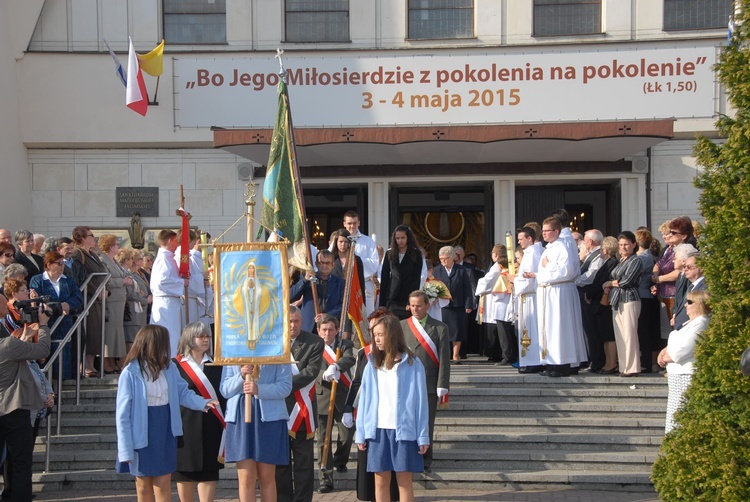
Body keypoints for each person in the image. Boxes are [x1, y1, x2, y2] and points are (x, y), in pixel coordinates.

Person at [115, 325, 217, 502]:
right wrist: (125, 449)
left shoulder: (169, 367)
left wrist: (203, 402)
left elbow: (183, 392)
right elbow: (123, 414)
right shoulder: (130, 372)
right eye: (163, 342)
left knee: (163, 483)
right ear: (152, 343)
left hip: (165, 430)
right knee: (143, 485)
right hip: (142, 433)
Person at [355, 313, 429, 502]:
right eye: (375, 335)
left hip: (404, 432)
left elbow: (421, 403)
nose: (377, 339)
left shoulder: (413, 364)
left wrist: (422, 435)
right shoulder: (372, 364)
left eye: (380, 334)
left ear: (393, 335)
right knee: (380, 482)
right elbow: (364, 402)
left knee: (404, 482)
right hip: (378, 431)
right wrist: (361, 433)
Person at [343, 308, 400, 502]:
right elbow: (357, 381)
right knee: (368, 460)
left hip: (390, 417)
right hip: (366, 411)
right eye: (371, 326)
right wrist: (348, 407)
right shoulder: (364, 353)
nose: (373, 330)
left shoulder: (402, 357)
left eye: (377, 326)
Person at [221, 359, 291, 502]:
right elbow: (225, 389)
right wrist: (240, 375)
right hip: (240, 417)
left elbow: (285, 387)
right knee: (246, 477)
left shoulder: (276, 349)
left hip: (269, 418)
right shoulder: (234, 352)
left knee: (266, 476)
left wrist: (259, 389)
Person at [0, 306, 50, 502]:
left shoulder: (10, 346)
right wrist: (43, 325)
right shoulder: (8, 346)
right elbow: (43, 349)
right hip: (13, 407)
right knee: (21, 460)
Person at [173, 322, 227, 502]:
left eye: (207, 336)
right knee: (184, 472)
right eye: (201, 336)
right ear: (189, 338)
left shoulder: (217, 364)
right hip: (184, 424)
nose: (205, 340)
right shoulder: (175, 365)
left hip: (210, 424)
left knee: (208, 472)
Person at [275, 305, 324, 502]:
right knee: (281, 464)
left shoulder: (314, 342)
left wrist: (280, 386)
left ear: (302, 322)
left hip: (303, 412)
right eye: (289, 321)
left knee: (304, 464)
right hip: (279, 411)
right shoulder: (273, 342)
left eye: (296, 321)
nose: (292, 325)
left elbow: (310, 373)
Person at [400, 291, 449, 473]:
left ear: (427, 305)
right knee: (408, 421)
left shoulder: (440, 328)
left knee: (426, 422)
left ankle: (425, 460)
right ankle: (409, 457)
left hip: (429, 384)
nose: (415, 309)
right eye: (412, 305)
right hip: (406, 383)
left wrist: (442, 384)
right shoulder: (402, 326)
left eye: (419, 305)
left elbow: (444, 359)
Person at [533, 218, 582, 377]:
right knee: (549, 329)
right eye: (543, 230)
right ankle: (551, 362)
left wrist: (548, 266)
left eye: (547, 230)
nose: (544, 233)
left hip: (558, 292)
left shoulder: (562, 247)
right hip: (548, 291)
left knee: (559, 327)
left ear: (556, 231)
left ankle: (562, 364)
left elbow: (566, 271)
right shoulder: (548, 248)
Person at [658, 290, 711, 433]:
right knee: (674, 413)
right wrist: (664, 351)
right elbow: (674, 342)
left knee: (682, 413)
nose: (685, 305)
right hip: (676, 374)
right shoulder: (689, 322)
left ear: (699, 304)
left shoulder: (702, 322)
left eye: (690, 302)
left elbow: (685, 348)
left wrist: (666, 356)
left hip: (686, 375)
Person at [314, 314, 356, 493]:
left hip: (342, 397)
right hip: (322, 397)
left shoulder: (344, 344)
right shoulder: (313, 346)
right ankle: (325, 478)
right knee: (323, 441)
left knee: (346, 436)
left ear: (337, 330)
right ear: (318, 331)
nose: (327, 333)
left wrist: (336, 366)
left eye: (331, 329)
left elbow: (350, 359)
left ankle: (340, 460)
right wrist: (323, 373)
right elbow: (308, 368)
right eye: (324, 330)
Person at [29, 251, 84, 380]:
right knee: (48, 351)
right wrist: (57, 306)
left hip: (65, 322)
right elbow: (37, 300)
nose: (62, 266)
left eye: (63, 263)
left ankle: (64, 380)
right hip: (48, 321)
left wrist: (68, 304)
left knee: (65, 351)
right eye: (59, 263)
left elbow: (78, 297)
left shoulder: (67, 280)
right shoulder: (38, 280)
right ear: (49, 265)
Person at [603, 231, 643, 377]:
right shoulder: (622, 260)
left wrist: (610, 283)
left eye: (626, 244)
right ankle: (623, 366)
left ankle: (632, 367)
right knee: (620, 334)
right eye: (621, 245)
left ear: (634, 244)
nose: (623, 247)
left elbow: (627, 281)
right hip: (617, 300)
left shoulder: (635, 261)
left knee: (629, 334)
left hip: (630, 299)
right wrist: (613, 284)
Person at [70, 226, 108, 378]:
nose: (94, 238)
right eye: (91, 235)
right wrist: (96, 291)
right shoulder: (78, 254)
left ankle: (91, 363)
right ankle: (84, 365)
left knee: (96, 332)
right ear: (83, 238)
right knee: (90, 331)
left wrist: (106, 290)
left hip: (98, 299)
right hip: (89, 298)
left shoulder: (91, 254)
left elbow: (102, 274)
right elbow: (84, 276)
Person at [582, 236, 620, 374]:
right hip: (599, 303)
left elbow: (601, 283)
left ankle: (610, 363)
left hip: (603, 303)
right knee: (602, 334)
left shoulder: (612, 263)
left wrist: (589, 294)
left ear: (605, 250)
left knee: (607, 334)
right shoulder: (608, 263)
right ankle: (605, 363)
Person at [432, 246, 474, 364]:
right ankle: (445, 354)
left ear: (452, 258)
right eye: (441, 259)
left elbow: (467, 288)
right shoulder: (436, 270)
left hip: (458, 305)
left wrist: (468, 304)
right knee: (443, 330)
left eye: (445, 258)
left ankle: (456, 355)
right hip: (442, 306)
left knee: (457, 330)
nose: (443, 261)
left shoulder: (461, 270)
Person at [150, 229, 188, 357]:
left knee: (173, 334)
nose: (178, 245)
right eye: (177, 241)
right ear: (171, 240)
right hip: (165, 303)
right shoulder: (163, 259)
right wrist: (182, 282)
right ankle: (166, 359)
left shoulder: (168, 258)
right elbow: (162, 281)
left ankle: (171, 359)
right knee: (167, 334)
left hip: (171, 301)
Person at [99, 234, 133, 375]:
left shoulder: (114, 261)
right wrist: (122, 282)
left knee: (117, 333)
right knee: (110, 333)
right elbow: (106, 280)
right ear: (110, 246)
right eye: (116, 244)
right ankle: (107, 362)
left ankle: (113, 361)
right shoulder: (103, 260)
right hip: (111, 302)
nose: (118, 246)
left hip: (119, 302)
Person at [476, 245, 515, 365]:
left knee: (503, 329)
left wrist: (480, 283)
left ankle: (505, 355)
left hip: (499, 302)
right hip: (502, 303)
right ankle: (504, 354)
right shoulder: (501, 267)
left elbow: (487, 282)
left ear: (496, 255)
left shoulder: (498, 268)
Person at [289, 250, 344, 334]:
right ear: (317, 264)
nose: (324, 266)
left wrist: (327, 315)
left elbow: (343, 305)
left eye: (327, 263)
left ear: (333, 265)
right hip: (308, 328)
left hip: (329, 328)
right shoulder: (306, 279)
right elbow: (291, 297)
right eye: (322, 262)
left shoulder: (340, 283)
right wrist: (304, 280)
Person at [513, 226, 544, 374]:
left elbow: (529, 278)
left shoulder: (532, 254)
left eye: (521, 239)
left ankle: (533, 361)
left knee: (531, 329)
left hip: (530, 295)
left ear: (529, 238)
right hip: (527, 296)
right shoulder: (530, 253)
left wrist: (515, 280)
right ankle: (530, 359)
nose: (519, 242)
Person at [379, 225, 426, 320]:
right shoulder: (389, 253)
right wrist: (382, 303)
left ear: (408, 238)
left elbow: (416, 279)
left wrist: (411, 301)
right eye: (397, 238)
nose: (400, 240)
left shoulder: (416, 254)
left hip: (408, 298)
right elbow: (384, 278)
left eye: (403, 238)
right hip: (392, 298)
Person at [340, 210, 380, 315]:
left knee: (365, 316)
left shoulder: (368, 241)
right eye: (349, 223)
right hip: (343, 284)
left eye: (354, 223)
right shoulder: (339, 240)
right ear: (344, 223)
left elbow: (374, 263)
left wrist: (356, 261)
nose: (352, 226)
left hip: (364, 284)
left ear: (359, 223)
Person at [330, 228, 366, 341]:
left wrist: (361, 302)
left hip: (350, 301)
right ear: (336, 243)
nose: (343, 244)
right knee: (332, 333)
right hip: (334, 302)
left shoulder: (356, 260)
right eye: (340, 241)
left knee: (346, 335)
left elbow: (361, 283)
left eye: (346, 242)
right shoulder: (331, 259)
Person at [576, 230, 604, 371]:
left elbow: (591, 275)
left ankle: (597, 361)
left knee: (593, 330)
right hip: (586, 295)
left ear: (591, 242)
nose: (583, 243)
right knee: (589, 330)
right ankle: (594, 360)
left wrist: (575, 280)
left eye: (585, 240)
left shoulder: (598, 255)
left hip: (591, 296)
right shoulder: (590, 255)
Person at [635, 229, 661, 373]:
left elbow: (636, 275)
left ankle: (645, 362)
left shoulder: (644, 257)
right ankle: (647, 361)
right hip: (646, 296)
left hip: (643, 295)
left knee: (643, 330)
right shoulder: (648, 256)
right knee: (645, 330)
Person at [123, 249, 151, 354]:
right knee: (132, 338)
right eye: (140, 259)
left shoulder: (140, 273)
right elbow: (131, 293)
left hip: (141, 311)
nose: (142, 261)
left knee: (140, 337)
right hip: (134, 309)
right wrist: (144, 299)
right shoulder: (130, 273)